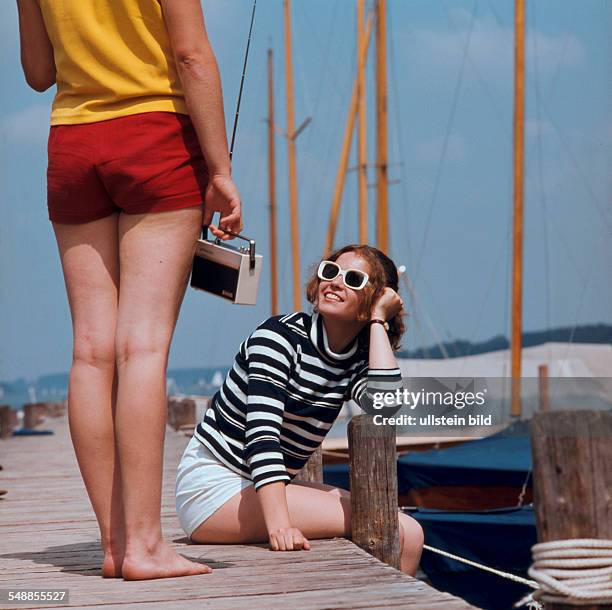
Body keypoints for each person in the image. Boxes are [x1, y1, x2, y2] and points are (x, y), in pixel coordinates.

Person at [16, 0, 242, 580]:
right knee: (141, 347)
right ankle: (145, 545)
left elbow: (39, 73)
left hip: (72, 142)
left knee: (91, 350)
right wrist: (220, 171)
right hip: (155, 134)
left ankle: (115, 546)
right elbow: (191, 56)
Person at [175, 245, 424, 575]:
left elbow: (385, 406)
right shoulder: (279, 338)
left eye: (352, 278)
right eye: (330, 272)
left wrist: (378, 321)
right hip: (214, 488)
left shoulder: (353, 361)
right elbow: (261, 436)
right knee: (403, 528)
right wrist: (280, 525)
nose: (334, 282)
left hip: (253, 484)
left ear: (375, 298)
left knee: (399, 523)